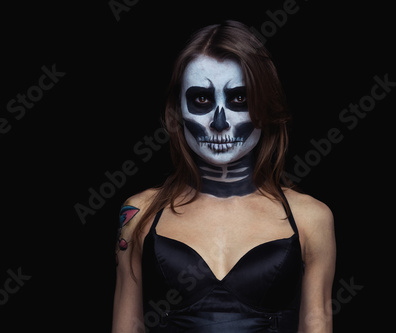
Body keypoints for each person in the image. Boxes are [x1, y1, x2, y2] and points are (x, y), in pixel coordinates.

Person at [112, 20, 336, 333]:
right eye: (201, 99)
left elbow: (317, 324)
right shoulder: (138, 214)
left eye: (239, 99)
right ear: (178, 110)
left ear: (265, 106)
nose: (220, 122)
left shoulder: (311, 218)